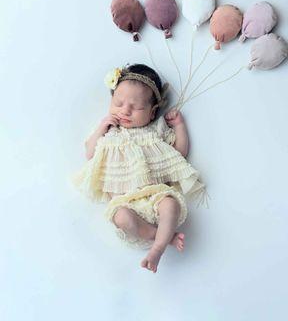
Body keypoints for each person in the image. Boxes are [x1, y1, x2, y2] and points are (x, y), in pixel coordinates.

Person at [73, 63, 208, 273]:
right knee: (121, 218)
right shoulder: (109, 133)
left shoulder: (155, 131)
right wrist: (101, 127)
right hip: (123, 201)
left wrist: (180, 126)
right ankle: (161, 236)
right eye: (118, 103)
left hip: (155, 194)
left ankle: (158, 250)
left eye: (136, 108)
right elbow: (90, 154)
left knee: (170, 204)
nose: (125, 110)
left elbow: (179, 153)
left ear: (152, 112)